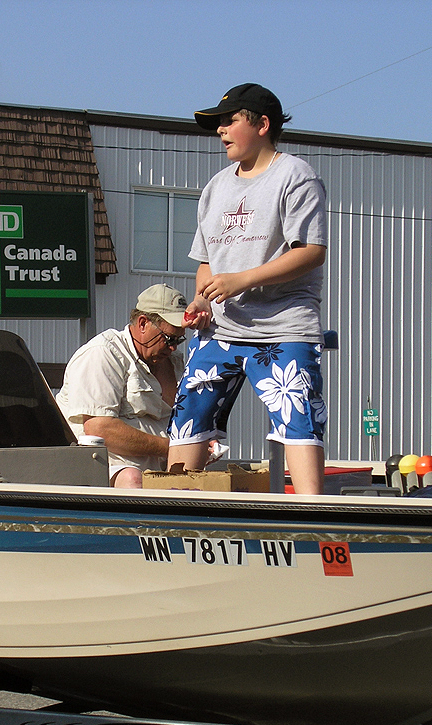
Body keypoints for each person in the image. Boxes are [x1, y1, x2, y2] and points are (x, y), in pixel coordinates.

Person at [167, 83, 328, 495]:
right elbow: (207, 261)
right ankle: (173, 513)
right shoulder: (216, 186)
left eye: (230, 120)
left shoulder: (296, 176)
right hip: (219, 331)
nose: (221, 130)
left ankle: (312, 516)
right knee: (187, 421)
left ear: (262, 124)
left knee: (298, 423)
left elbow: (311, 252)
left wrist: (243, 279)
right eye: (218, 123)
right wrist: (202, 300)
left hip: (283, 329)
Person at [55, 284, 187, 489]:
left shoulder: (174, 361)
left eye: (179, 339)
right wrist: (172, 448)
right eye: (169, 338)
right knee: (132, 478)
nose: (173, 347)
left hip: (161, 470)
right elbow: (99, 429)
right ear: (143, 323)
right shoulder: (103, 353)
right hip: (104, 472)